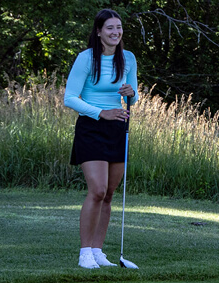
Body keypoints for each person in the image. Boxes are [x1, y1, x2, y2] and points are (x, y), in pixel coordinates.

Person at [64, 9, 139, 269]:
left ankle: (98, 251)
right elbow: (70, 98)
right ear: (99, 31)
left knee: (108, 194)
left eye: (118, 27)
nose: (115, 32)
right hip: (91, 127)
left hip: (117, 126)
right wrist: (101, 113)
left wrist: (130, 93)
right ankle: (85, 252)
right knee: (97, 190)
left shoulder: (128, 58)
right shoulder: (86, 58)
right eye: (110, 28)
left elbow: (133, 98)